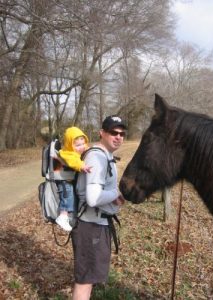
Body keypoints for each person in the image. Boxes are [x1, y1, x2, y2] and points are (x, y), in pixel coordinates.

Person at [71, 115, 127, 300]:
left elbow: (99, 192)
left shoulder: (106, 156)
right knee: (85, 280)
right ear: (102, 133)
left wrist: (112, 198)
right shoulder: (97, 157)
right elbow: (93, 198)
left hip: (97, 225)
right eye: (113, 132)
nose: (118, 136)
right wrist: (117, 193)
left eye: (122, 133)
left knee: (90, 277)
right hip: (90, 227)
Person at [55, 127, 92, 232]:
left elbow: (82, 151)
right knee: (68, 197)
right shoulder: (67, 154)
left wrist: (88, 148)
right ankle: (62, 216)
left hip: (69, 179)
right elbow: (74, 162)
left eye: (83, 143)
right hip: (65, 181)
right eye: (77, 145)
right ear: (70, 145)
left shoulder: (74, 151)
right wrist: (82, 166)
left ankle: (67, 216)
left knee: (71, 197)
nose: (81, 147)